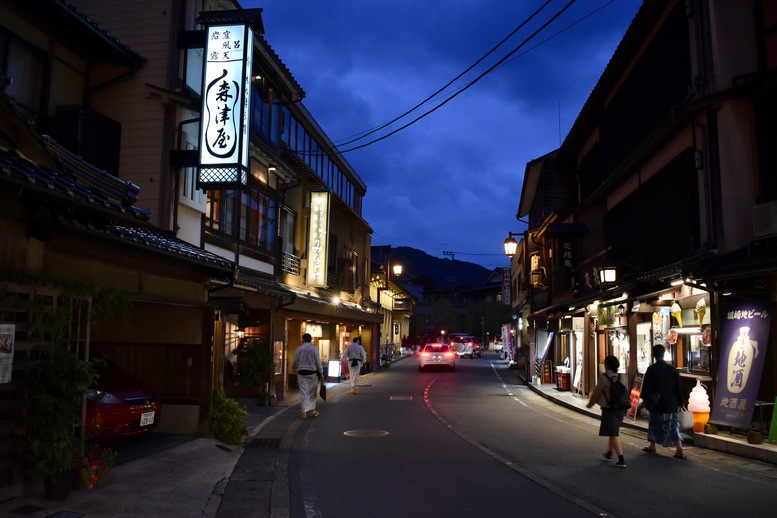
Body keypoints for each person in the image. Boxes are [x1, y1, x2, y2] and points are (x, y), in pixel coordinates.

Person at [641, 344, 686, 458]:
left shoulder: (651, 370)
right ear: (664, 354)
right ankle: (679, 447)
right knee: (673, 425)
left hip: (656, 404)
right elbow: (679, 387)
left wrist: (646, 402)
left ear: (654, 355)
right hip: (671, 403)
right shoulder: (672, 369)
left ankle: (652, 445)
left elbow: (647, 388)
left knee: (654, 425)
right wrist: (681, 401)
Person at [586, 355, 627, 468]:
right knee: (613, 430)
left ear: (606, 365)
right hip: (621, 408)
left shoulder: (604, 378)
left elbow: (596, 393)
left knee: (613, 433)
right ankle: (609, 452)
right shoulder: (622, 377)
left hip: (610, 408)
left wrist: (590, 404)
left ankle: (621, 459)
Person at [291, 333, 324, 420]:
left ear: (303, 339)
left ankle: (303, 412)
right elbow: (317, 361)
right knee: (312, 392)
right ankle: (312, 410)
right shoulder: (314, 349)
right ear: (310, 340)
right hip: (313, 373)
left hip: (302, 373)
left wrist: (294, 368)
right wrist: (321, 372)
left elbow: (295, 360)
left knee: (304, 392)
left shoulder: (299, 349)